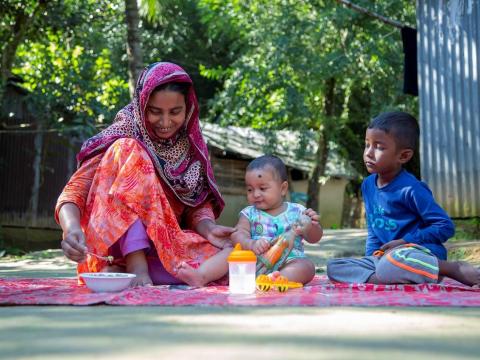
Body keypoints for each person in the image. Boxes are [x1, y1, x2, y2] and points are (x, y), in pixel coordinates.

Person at [56, 62, 235, 287]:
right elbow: (74, 191)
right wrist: (71, 229)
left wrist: (209, 230)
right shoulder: (124, 134)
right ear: (142, 105)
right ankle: (135, 265)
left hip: (163, 241)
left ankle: (120, 272)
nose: (166, 122)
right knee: (128, 148)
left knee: (232, 259)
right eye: (155, 111)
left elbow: (195, 206)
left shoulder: (192, 147)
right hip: (113, 243)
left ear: (188, 107)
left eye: (175, 112)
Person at [327, 111, 480, 287]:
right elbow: (374, 229)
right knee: (334, 267)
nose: (368, 153)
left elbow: (445, 227)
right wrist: (372, 255)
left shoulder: (411, 189)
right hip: (388, 260)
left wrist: (406, 241)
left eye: (379, 147)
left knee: (391, 264)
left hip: (419, 254)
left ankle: (451, 269)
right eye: (367, 144)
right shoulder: (368, 185)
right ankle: (394, 277)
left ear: (404, 156)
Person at [231, 155, 323, 284]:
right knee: (230, 255)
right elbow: (237, 234)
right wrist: (250, 244)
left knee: (307, 267)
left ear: (283, 188)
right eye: (250, 189)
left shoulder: (297, 211)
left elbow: (314, 239)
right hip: (257, 262)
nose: (256, 194)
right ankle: (204, 275)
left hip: (290, 260)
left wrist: (311, 226)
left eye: (262, 188)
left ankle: (277, 279)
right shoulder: (249, 213)